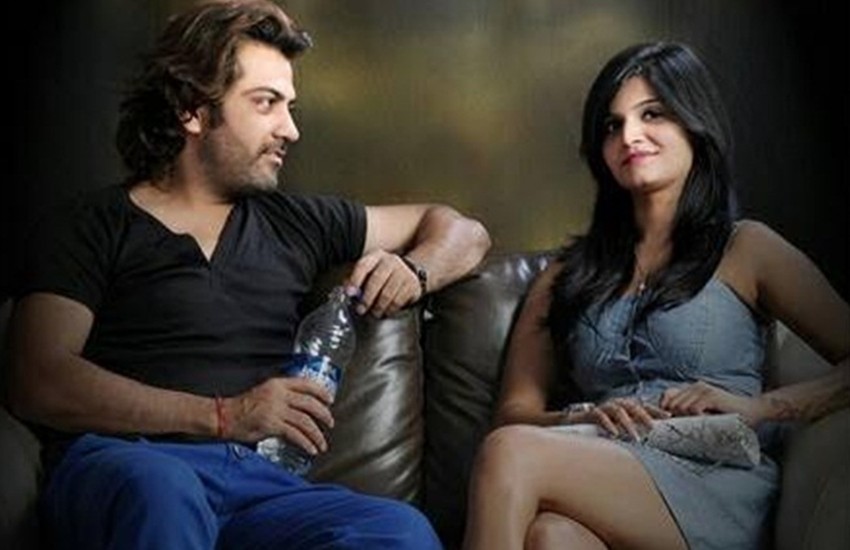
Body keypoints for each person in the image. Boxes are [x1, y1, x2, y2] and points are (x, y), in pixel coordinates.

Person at [7, 1, 490, 548]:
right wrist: (225, 415)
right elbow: (37, 379)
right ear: (192, 111)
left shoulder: (298, 223)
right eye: (266, 103)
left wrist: (417, 271)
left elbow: (463, 231)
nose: (291, 129)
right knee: (163, 491)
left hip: (258, 488)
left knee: (400, 530)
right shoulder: (91, 224)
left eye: (290, 106)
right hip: (129, 464)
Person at [462, 41, 849, 550]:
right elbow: (515, 411)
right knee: (551, 537)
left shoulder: (747, 248)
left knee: (508, 453)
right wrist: (581, 415)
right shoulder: (565, 276)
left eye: (652, 114)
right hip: (606, 463)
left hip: (711, 478)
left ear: (694, 124)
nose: (629, 136)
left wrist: (761, 407)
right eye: (612, 124)